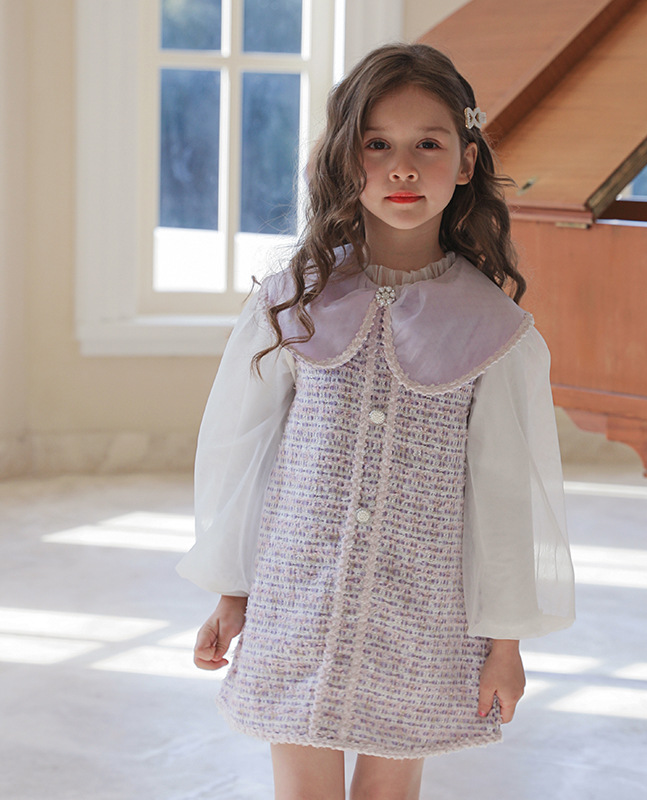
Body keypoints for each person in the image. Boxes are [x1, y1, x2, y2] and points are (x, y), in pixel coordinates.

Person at [177, 42, 575, 800]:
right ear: (345, 157)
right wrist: (232, 592)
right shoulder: (292, 302)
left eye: (428, 145)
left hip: (421, 614)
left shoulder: (494, 331)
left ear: (466, 161)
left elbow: (503, 497)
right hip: (298, 597)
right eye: (378, 145)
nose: (403, 169)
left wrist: (505, 643)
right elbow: (244, 456)